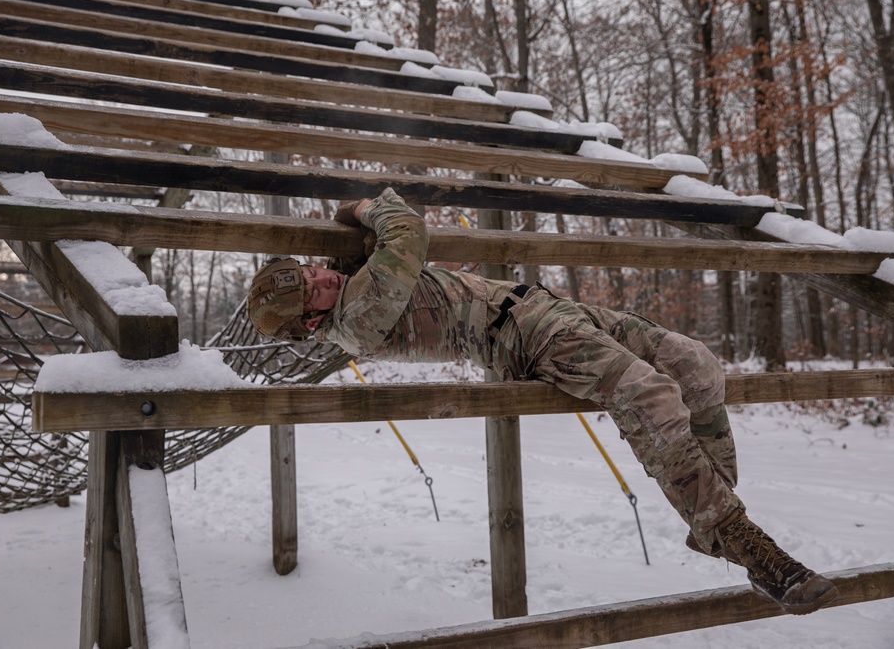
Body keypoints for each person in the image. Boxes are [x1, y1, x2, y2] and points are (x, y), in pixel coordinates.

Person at [248, 187, 838, 615]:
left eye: (309, 271)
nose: (320, 278)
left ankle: (709, 515)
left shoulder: (346, 285)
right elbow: (405, 227)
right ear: (309, 321)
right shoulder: (357, 317)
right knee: (648, 395)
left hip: (547, 307)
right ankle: (744, 543)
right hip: (525, 336)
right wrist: (355, 207)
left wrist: (340, 235)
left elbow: (363, 255)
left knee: (695, 364)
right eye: (309, 289)